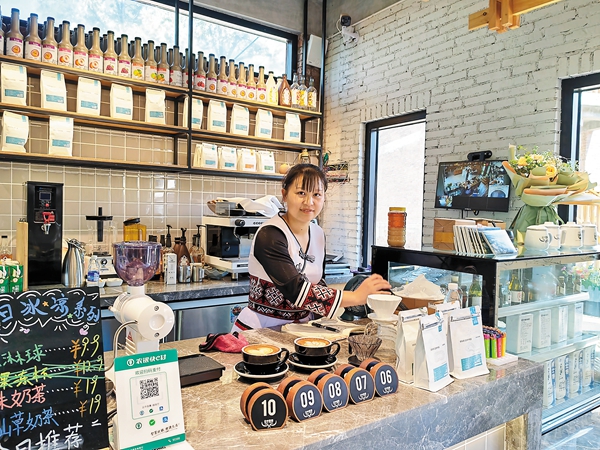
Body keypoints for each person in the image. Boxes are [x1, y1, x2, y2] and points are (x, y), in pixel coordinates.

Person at [232, 164, 391, 332]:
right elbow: (295, 290)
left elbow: (318, 282)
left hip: (300, 328)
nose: (309, 202)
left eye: (317, 194)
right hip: (261, 329)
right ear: (284, 195)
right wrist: (357, 296)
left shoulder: (318, 233)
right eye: (301, 193)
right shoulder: (270, 234)